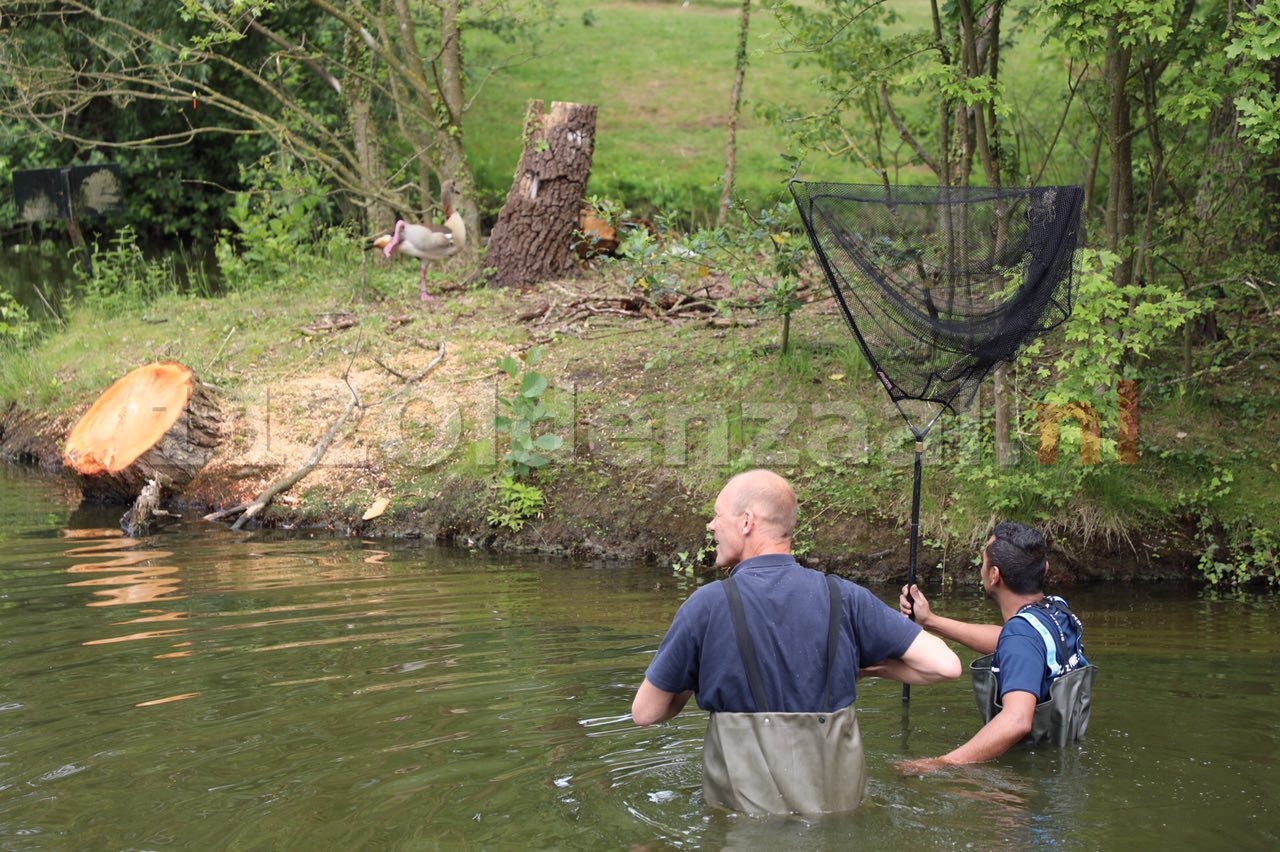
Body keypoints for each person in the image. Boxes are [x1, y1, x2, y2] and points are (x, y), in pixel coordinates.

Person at [631, 469, 962, 815]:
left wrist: (689, 679)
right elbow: (947, 666)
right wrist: (870, 670)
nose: (711, 526)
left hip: (746, 823)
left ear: (746, 522)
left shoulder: (706, 606)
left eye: (717, 515)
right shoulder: (844, 597)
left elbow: (645, 712)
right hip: (837, 816)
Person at [896, 521, 1096, 776]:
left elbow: (1016, 721)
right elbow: (1012, 642)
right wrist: (929, 621)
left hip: (1030, 779)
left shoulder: (1021, 637)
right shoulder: (1056, 610)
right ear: (1045, 569)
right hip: (1063, 765)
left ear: (994, 575)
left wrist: (939, 764)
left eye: (983, 562)